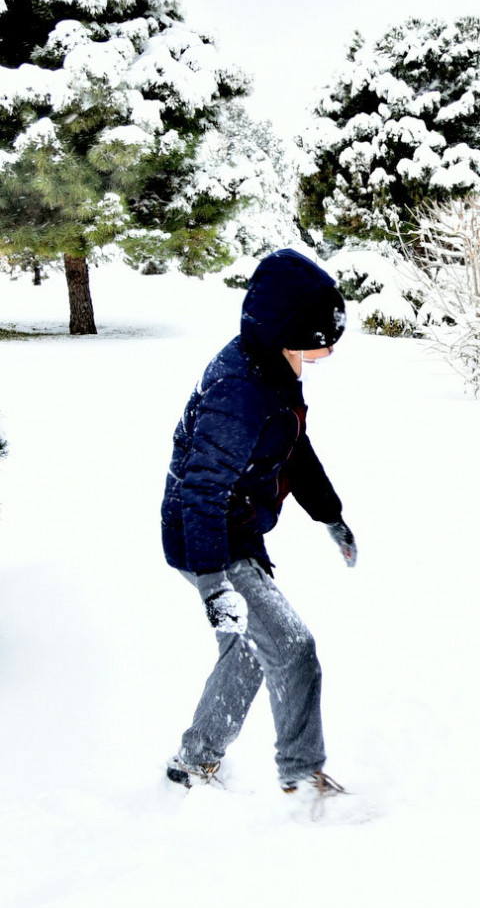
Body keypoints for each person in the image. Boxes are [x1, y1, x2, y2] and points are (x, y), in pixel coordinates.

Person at [161, 248, 357, 795]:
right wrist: (213, 583)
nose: (322, 356)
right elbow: (200, 489)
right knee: (292, 649)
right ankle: (303, 776)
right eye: (316, 344)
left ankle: (193, 763)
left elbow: (293, 447)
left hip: (232, 527)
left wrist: (331, 515)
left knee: (249, 651)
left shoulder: (272, 370)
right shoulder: (240, 391)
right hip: (209, 536)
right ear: (286, 332)